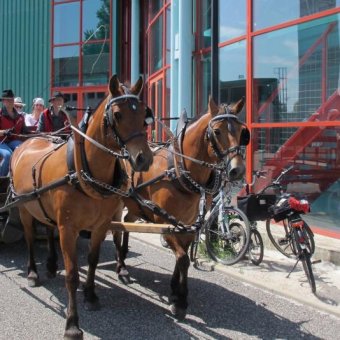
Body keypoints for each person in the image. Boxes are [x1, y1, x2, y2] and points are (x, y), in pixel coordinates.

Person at [0, 89, 29, 176]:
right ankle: (2, 179)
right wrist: (4, 132)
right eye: (7, 100)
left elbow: (24, 131)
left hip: (13, 141)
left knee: (24, 150)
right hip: (1, 142)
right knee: (8, 155)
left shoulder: (20, 116)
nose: (10, 102)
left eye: (12, 99)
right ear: (3, 101)